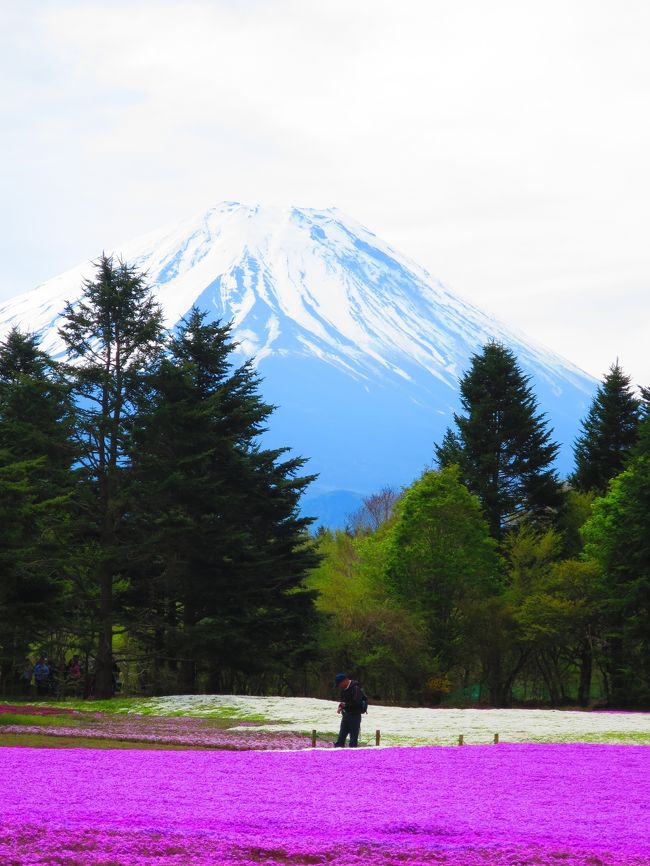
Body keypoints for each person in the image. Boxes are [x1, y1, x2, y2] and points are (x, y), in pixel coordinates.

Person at [333, 672, 366, 748]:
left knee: (353, 739)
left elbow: (357, 702)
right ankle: (338, 752)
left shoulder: (356, 688)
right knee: (341, 737)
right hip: (346, 715)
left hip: (355, 715)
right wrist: (340, 706)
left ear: (344, 681)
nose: (339, 686)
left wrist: (345, 705)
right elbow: (343, 701)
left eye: (339, 684)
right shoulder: (343, 689)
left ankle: (353, 756)